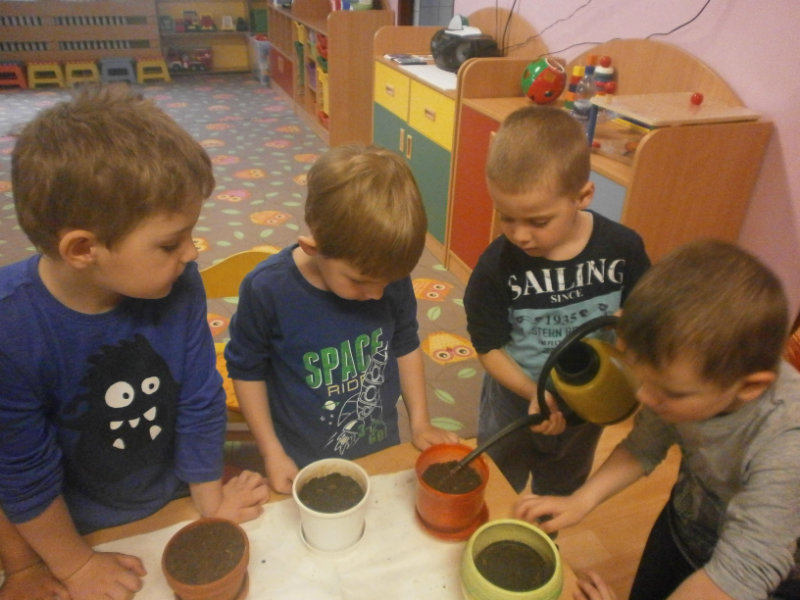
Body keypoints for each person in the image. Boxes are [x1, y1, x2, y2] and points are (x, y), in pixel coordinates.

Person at [0, 85, 269, 600]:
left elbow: (199, 399)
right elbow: (21, 472)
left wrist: (209, 504)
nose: (192, 253)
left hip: (174, 494)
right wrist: (75, 565)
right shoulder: (12, 328)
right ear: (83, 249)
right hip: (74, 529)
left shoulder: (178, 284)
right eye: (169, 243)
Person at [515, 240, 800, 600]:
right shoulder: (681, 382)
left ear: (749, 387)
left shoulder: (787, 442)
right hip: (683, 529)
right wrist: (581, 500)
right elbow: (644, 445)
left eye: (670, 393)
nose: (644, 398)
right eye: (642, 377)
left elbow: (740, 572)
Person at [225, 143, 459, 494]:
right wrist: (271, 451)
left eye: (386, 282)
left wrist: (421, 422)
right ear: (313, 247)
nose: (377, 294)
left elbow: (405, 344)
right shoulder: (267, 290)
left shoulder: (387, 276)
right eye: (360, 281)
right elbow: (247, 370)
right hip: (302, 459)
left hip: (380, 449)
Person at [463, 105, 650, 495]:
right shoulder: (495, 267)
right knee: (496, 481)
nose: (520, 235)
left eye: (538, 221)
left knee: (563, 482)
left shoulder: (623, 248)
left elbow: (643, 308)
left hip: (587, 402)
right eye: (506, 217)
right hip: (515, 398)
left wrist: (629, 327)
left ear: (583, 196)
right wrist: (533, 393)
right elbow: (487, 346)